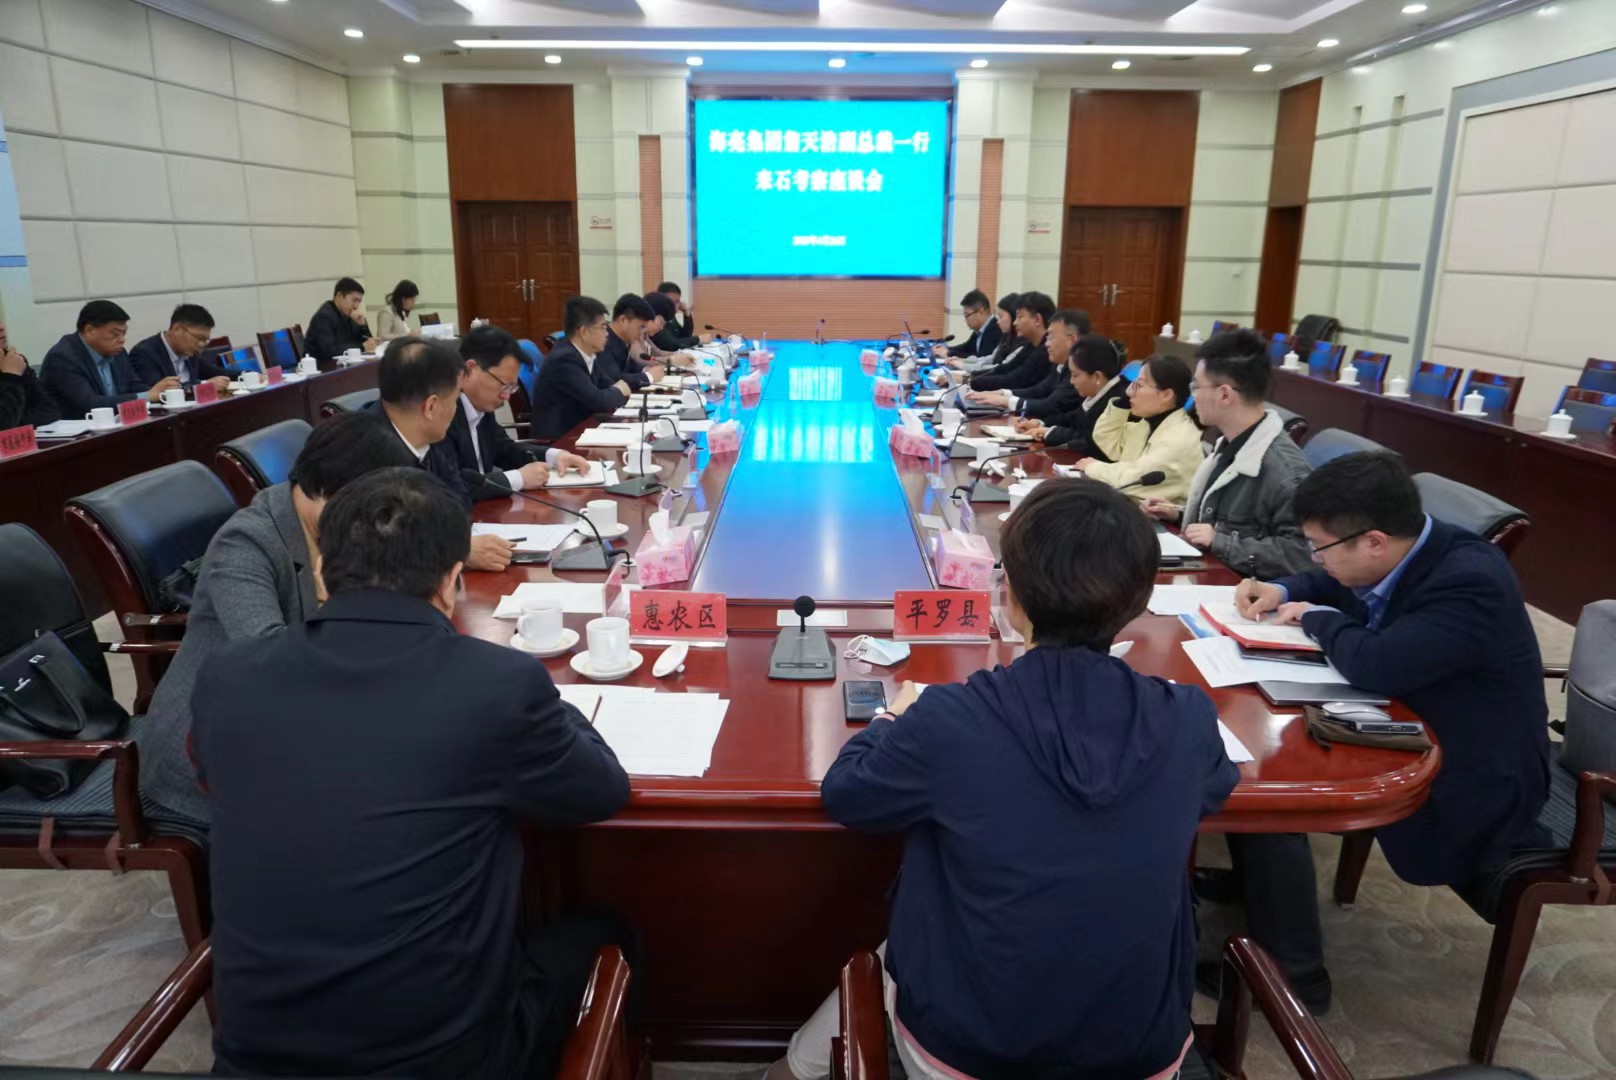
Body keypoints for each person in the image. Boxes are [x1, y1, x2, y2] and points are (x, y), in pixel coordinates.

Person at [774, 479, 1239, 1080]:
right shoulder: (1188, 718)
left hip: (971, 1054)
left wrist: (892, 717)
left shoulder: (949, 720)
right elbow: (1214, 786)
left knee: (908, 940)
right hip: (1139, 1051)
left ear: (1011, 597)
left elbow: (847, 793)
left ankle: (787, 1071)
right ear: (1140, 600)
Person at [192, 466, 634, 1079]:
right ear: (452, 581)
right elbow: (602, 790)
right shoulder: (496, 686)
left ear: (320, 570)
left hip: (252, 1061)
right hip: (440, 1064)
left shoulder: (228, 675)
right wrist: (542, 695)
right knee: (605, 929)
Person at [1217, 451, 1551, 1014]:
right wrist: (1284, 589)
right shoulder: (1410, 547)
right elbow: (1334, 582)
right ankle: (1252, 888)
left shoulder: (1470, 581)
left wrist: (1315, 617)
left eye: (1320, 547)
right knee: (1256, 745)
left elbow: (1376, 664)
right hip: (1413, 723)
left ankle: (1295, 977)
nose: (1317, 560)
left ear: (1373, 541)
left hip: (1472, 778)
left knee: (1276, 789)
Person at [140, 413, 416, 825]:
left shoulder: (334, 530)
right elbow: (269, 659)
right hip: (212, 747)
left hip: (300, 716)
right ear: (331, 490)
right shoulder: (246, 542)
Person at [1139, 329, 1312, 578]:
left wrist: (1220, 542)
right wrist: (1178, 513)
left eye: (1196, 386)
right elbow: (1232, 523)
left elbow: (1303, 555)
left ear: (1224, 394)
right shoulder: (1231, 443)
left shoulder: (1285, 471)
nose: (1193, 396)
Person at [368, 335, 514, 572]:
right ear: (431, 407)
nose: (457, 409)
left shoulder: (424, 437)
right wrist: (456, 551)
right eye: (456, 400)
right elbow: (380, 545)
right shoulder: (366, 452)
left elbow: (459, 503)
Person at [448, 324, 591, 500]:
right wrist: (518, 479)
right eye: (504, 385)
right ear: (470, 370)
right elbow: (449, 486)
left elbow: (506, 450)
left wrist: (555, 456)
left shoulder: (481, 406)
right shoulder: (443, 415)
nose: (506, 396)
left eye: (512, 387)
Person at [1073, 353, 1204, 505]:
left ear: (1166, 395)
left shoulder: (1181, 438)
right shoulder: (1147, 425)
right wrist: (1123, 402)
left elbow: (1133, 480)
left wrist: (1093, 467)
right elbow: (1107, 437)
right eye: (1133, 384)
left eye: (1139, 385)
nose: (1130, 392)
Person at [41, 300, 179, 415]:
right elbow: (90, 404)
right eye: (115, 334)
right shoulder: (63, 358)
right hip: (78, 433)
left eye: (123, 334)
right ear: (90, 330)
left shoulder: (118, 352)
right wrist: (147, 396)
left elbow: (133, 385)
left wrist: (161, 391)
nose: (122, 340)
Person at [530, 295, 634, 441]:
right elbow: (597, 400)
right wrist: (618, 391)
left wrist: (615, 391)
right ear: (583, 332)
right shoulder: (564, 360)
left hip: (582, 427)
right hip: (560, 439)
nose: (607, 334)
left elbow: (607, 385)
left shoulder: (587, 353)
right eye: (603, 327)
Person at [1016, 334, 1128, 454]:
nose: (1071, 381)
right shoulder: (1098, 391)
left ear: (1097, 376)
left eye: (1075, 375)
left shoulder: (1117, 401)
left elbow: (1090, 441)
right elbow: (1074, 417)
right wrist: (1040, 424)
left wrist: (1049, 432)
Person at [970, 308, 1090, 416]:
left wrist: (1006, 401)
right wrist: (1002, 394)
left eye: (1051, 337)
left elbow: (1052, 406)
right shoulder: (1060, 362)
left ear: (1072, 341)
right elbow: (1040, 390)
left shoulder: (1083, 368)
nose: (1047, 344)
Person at [965, 290, 1054, 397]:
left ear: (1037, 319)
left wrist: (968, 380)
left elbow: (1015, 380)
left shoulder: (1046, 350)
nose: (1015, 322)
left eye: (1020, 317)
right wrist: (969, 377)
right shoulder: (1031, 345)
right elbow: (1005, 369)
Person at [128, 304, 232, 393]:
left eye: (206, 340)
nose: (202, 344)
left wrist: (241, 374)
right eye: (199, 338)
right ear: (177, 329)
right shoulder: (144, 353)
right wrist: (204, 385)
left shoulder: (190, 352)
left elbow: (216, 372)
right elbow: (158, 392)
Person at [0, 321, 61, 429]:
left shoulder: (15, 361)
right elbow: (3, 424)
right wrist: (11, 376)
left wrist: (16, 420)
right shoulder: (13, 367)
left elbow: (50, 410)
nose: (1, 327)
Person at [599, 294, 665, 391]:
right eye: (641, 327)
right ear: (624, 320)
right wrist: (648, 376)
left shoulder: (623, 341)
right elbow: (613, 379)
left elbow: (631, 369)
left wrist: (647, 370)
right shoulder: (603, 341)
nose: (642, 333)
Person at [947, 292, 1024, 375]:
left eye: (1001, 316)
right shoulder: (1007, 337)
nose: (998, 322)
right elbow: (991, 358)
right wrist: (964, 361)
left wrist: (964, 366)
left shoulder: (1022, 343)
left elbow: (1002, 367)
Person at [305, 277, 379, 364]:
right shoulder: (324, 317)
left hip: (344, 366)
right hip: (322, 367)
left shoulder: (350, 317)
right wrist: (362, 347)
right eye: (354, 300)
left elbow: (368, 346)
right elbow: (330, 351)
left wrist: (363, 326)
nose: (356, 306)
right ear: (339, 296)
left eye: (359, 302)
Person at [931, 289, 1001, 361]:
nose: (965, 320)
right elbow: (966, 347)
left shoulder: (996, 329)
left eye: (967, 315)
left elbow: (981, 358)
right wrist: (946, 349)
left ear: (981, 312)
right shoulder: (980, 329)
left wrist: (949, 353)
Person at [650, 280, 712, 351]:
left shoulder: (670, 317)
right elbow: (671, 344)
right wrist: (699, 339)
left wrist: (686, 315)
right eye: (670, 301)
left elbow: (684, 336)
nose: (673, 305)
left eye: (677, 302)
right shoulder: (656, 318)